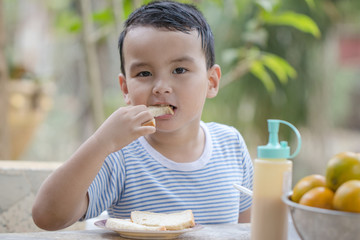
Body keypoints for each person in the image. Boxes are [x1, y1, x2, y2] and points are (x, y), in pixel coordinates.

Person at [32, 0, 253, 231]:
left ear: (212, 82)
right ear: (125, 88)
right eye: (144, 73)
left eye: (179, 70)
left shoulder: (232, 145)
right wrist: (102, 142)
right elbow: (47, 216)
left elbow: (247, 231)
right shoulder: (120, 155)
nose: (161, 87)